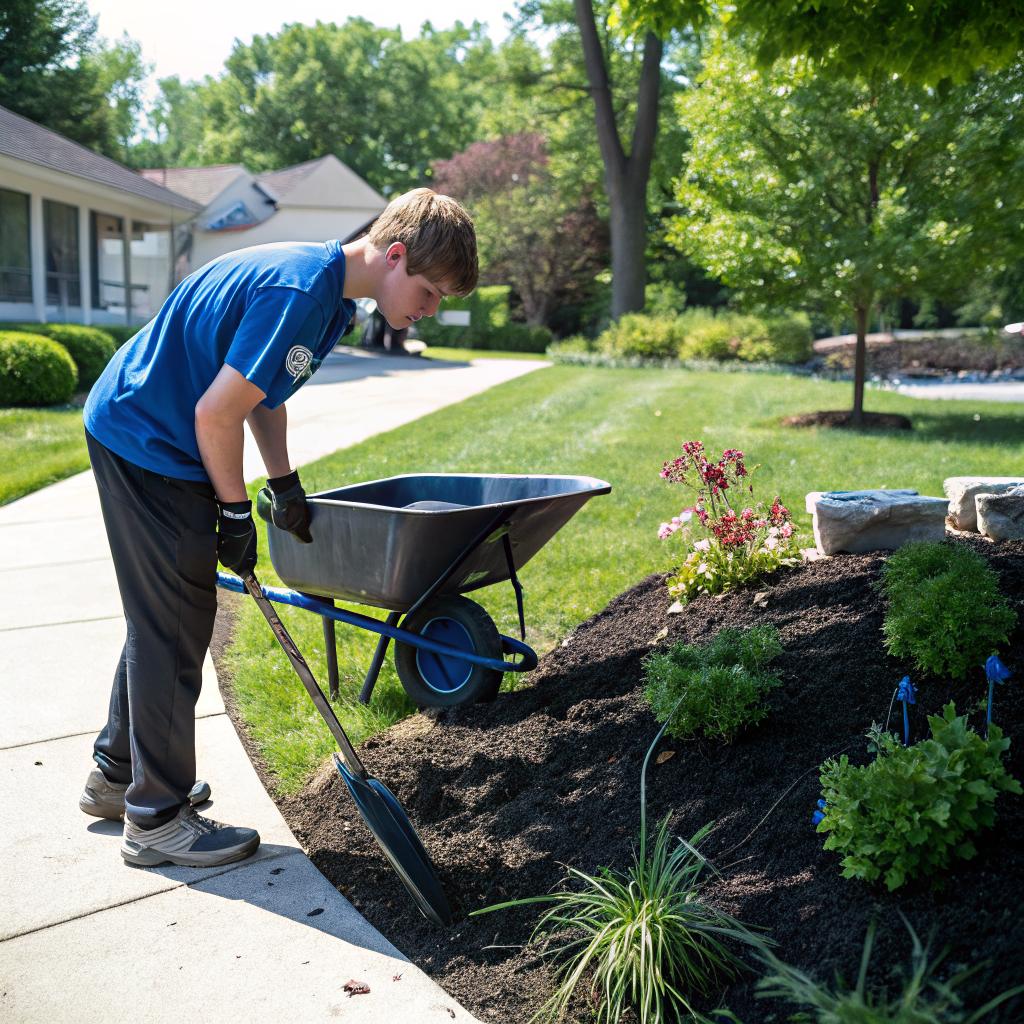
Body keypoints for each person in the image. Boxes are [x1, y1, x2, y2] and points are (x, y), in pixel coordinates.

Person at [78, 188, 478, 868]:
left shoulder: (330, 301)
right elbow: (215, 414)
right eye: (432, 291)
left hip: (151, 427)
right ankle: (156, 817)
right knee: (175, 621)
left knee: (163, 612)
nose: (431, 309)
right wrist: (236, 513)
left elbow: (261, 397)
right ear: (396, 254)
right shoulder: (301, 295)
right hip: (147, 438)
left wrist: (283, 482)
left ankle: (118, 776)